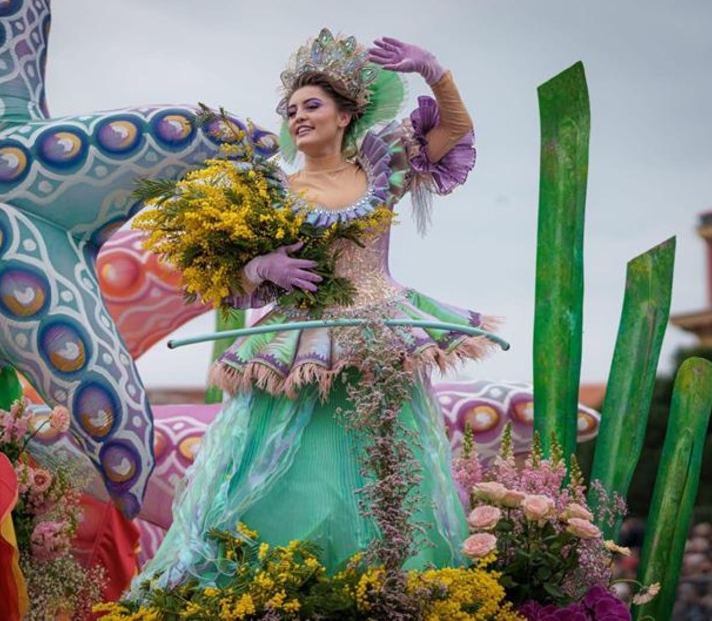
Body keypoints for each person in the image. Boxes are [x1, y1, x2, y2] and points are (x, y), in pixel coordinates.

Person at [129, 29, 498, 592]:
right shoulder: (269, 192)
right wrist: (261, 268)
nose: (298, 116)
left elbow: (454, 131)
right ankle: (282, 591)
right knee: (293, 484)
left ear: (346, 115)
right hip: (299, 345)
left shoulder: (384, 166)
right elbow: (222, 282)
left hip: (378, 335)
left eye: (313, 105)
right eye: (292, 109)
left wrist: (434, 71)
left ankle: (386, 590)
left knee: (388, 475)